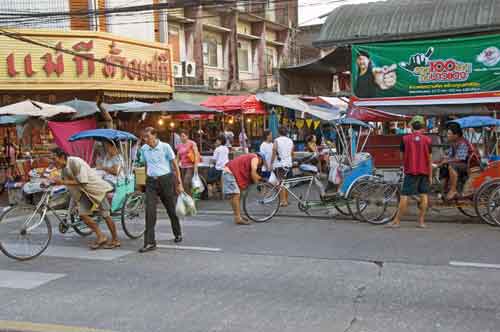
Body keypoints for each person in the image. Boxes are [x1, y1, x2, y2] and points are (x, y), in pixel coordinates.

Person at [50, 148, 120, 249]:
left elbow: (82, 182)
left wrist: (62, 182)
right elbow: (68, 183)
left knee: (105, 214)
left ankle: (115, 239)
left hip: (96, 189)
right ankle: (101, 236)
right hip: (83, 192)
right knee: (83, 215)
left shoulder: (76, 162)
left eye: (54, 159)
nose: (53, 162)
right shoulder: (63, 168)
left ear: (61, 157)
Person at [138, 127, 184, 253]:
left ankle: (177, 233)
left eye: (148, 137)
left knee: (171, 209)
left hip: (166, 180)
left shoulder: (165, 147)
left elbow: (175, 165)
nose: (146, 139)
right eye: (144, 137)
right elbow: (146, 164)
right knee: (150, 211)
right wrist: (146, 178)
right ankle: (150, 242)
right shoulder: (144, 149)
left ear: (155, 135)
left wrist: (179, 183)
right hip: (151, 181)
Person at [388, 116, 432, 229]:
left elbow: (401, 156)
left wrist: (405, 163)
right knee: (424, 195)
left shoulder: (405, 139)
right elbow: (430, 158)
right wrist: (430, 175)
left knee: (404, 195)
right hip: (424, 170)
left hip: (410, 170)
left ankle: (397, 221)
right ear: (422, 127)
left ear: (412, 127)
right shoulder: (427, 140)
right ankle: (421, 222)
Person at [223, 153, 264, 225]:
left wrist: (259, 180)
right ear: (260, 159)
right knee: (236, 195)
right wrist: (259, 185)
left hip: (230, 172)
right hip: (230, 172)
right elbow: (253, 173)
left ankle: (238, 215)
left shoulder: (250, 157)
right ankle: (238, 218)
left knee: (237, 195)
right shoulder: (255, 158)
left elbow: (253, 174)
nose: (259, 166)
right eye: (261, 164)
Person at [440, 124, 479, 201]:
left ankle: (453, 190)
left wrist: (447, 160)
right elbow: (450, 155)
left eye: (449, 134)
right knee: (444, 167)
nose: (447, 135)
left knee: (451, 165)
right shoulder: (454, 142)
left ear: (456, 135)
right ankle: (444, 190)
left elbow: (460, 158)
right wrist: (443, 160)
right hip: (461, 163)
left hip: (469, 165)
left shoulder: (462, 143)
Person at [271, 127, 294, 207]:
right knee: (287, 183)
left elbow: (274, 151)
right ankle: (286, 200)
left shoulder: (277, 140)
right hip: (288, 164)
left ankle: (283, 201)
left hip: (280, 165)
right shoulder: (290, 140)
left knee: (281, 183)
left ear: (278, 132)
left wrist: (271, 163)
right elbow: (292, 152)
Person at [176, 130, 200, 195]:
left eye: (183, 136)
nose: (182, 138)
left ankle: (190, 197)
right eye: (181, 136)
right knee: (184, 183)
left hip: (190, 166)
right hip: (183, 166)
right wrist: (176, 166)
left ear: (187, 136)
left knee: (186, 182)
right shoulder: (179, 145)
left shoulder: (192, 143)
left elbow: (196, 155)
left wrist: (196, 167)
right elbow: (178, 157)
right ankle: (188, 198)